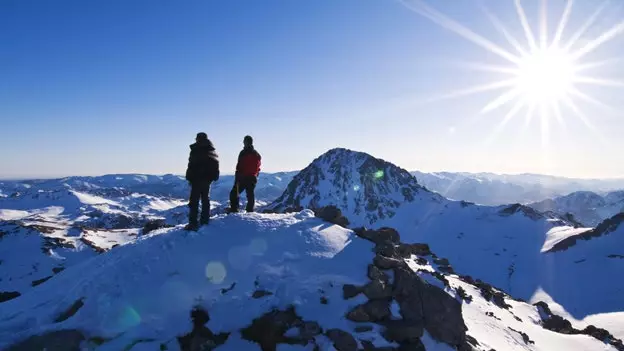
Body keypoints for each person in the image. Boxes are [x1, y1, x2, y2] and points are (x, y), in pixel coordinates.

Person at [184, 132, 219, 231]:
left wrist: (189, 177)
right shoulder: (212, 151)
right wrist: (213, 177)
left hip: (197, 178)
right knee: (205, 199)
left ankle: (193, 223)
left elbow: (191, 165)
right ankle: (204, 220)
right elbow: (215, 165)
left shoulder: (196, 150)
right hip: (207, 179)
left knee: (194, 201)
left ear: (198, 139)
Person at [227, 135, 261, 213]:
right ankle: (250, 211)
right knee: (250, 195)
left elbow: (239, 166)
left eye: (244, 141)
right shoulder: (257, 154)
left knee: (234, 193)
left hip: (242, 177)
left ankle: (234, 209)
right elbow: (258, 166)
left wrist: (238, 176)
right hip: (252, 177)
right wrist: (256, 174)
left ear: (246, 142)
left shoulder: (243, 153)